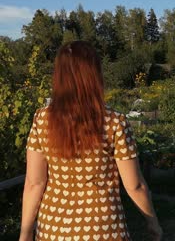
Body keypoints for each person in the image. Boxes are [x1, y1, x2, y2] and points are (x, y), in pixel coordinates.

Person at [19, 41, 162, 241]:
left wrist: (25, 233)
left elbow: (35, 182)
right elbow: (134, 185)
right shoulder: (115, 122)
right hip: (103, 229)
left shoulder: (42, 119)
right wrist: (152, 222)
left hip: (54, 230)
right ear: (94, 75)